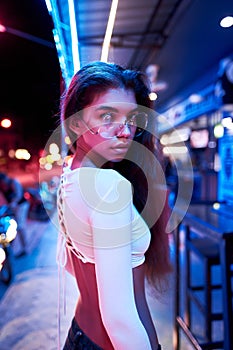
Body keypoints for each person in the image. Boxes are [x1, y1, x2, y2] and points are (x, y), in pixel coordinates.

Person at [56, 61, 172, 349]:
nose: (124, 131)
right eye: (107, 116)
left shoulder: (71, 175)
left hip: (80, 334)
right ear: (76, 123)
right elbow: (119, 319)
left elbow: (70, 263)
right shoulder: (109, 187)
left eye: (131, 119)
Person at [0, 172, 29, 257]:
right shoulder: (3, 186)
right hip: (13, 207)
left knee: (20, 227)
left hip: (21, 206)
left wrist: (12, 204)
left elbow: (18, 196)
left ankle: (24, 248)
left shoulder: (14, 182)